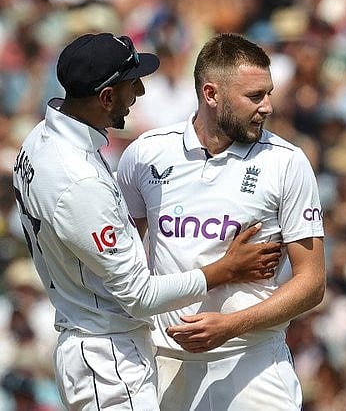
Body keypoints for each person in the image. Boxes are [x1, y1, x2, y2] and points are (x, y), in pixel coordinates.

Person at [10, 32, 281, 410]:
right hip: (108, 358)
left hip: (91, 342)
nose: (139, 92)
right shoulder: (79, 180)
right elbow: (139, 297)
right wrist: (226, 269)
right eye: (131, 84)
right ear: (106, 97)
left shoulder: (40, 138)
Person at [115, 33, 326, 410]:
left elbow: (311, 283)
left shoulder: (287, 162)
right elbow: (120, 264)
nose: (268, 107)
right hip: (165, 363)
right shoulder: (146, 154)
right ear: (211, 94)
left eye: (269, 93)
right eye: (255, 96)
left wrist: (232, 325)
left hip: (252, 361)